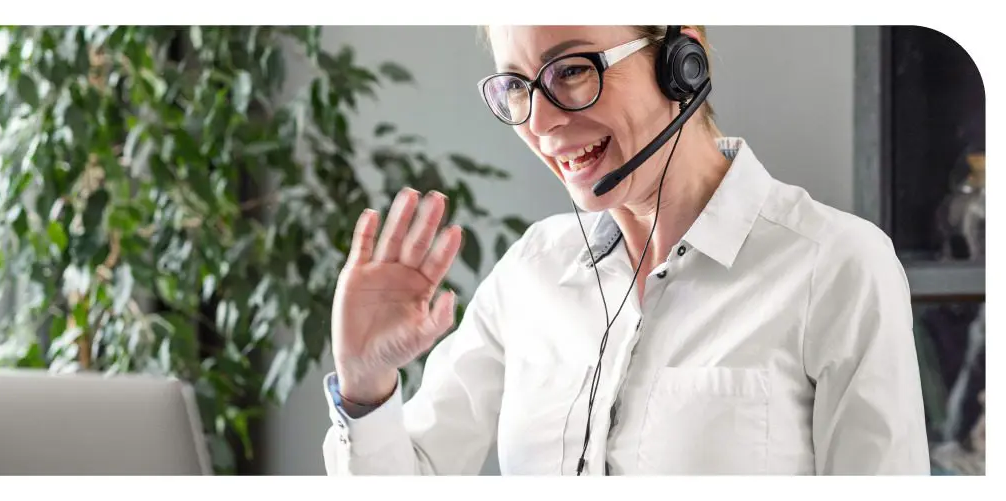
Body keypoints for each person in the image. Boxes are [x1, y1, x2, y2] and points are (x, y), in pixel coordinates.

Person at [320, 25, 931, 475]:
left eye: (571, 71)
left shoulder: (835, 266)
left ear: (681, 60)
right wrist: (366, 385)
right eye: (517, 87)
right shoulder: (532, 272)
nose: (541, 123)